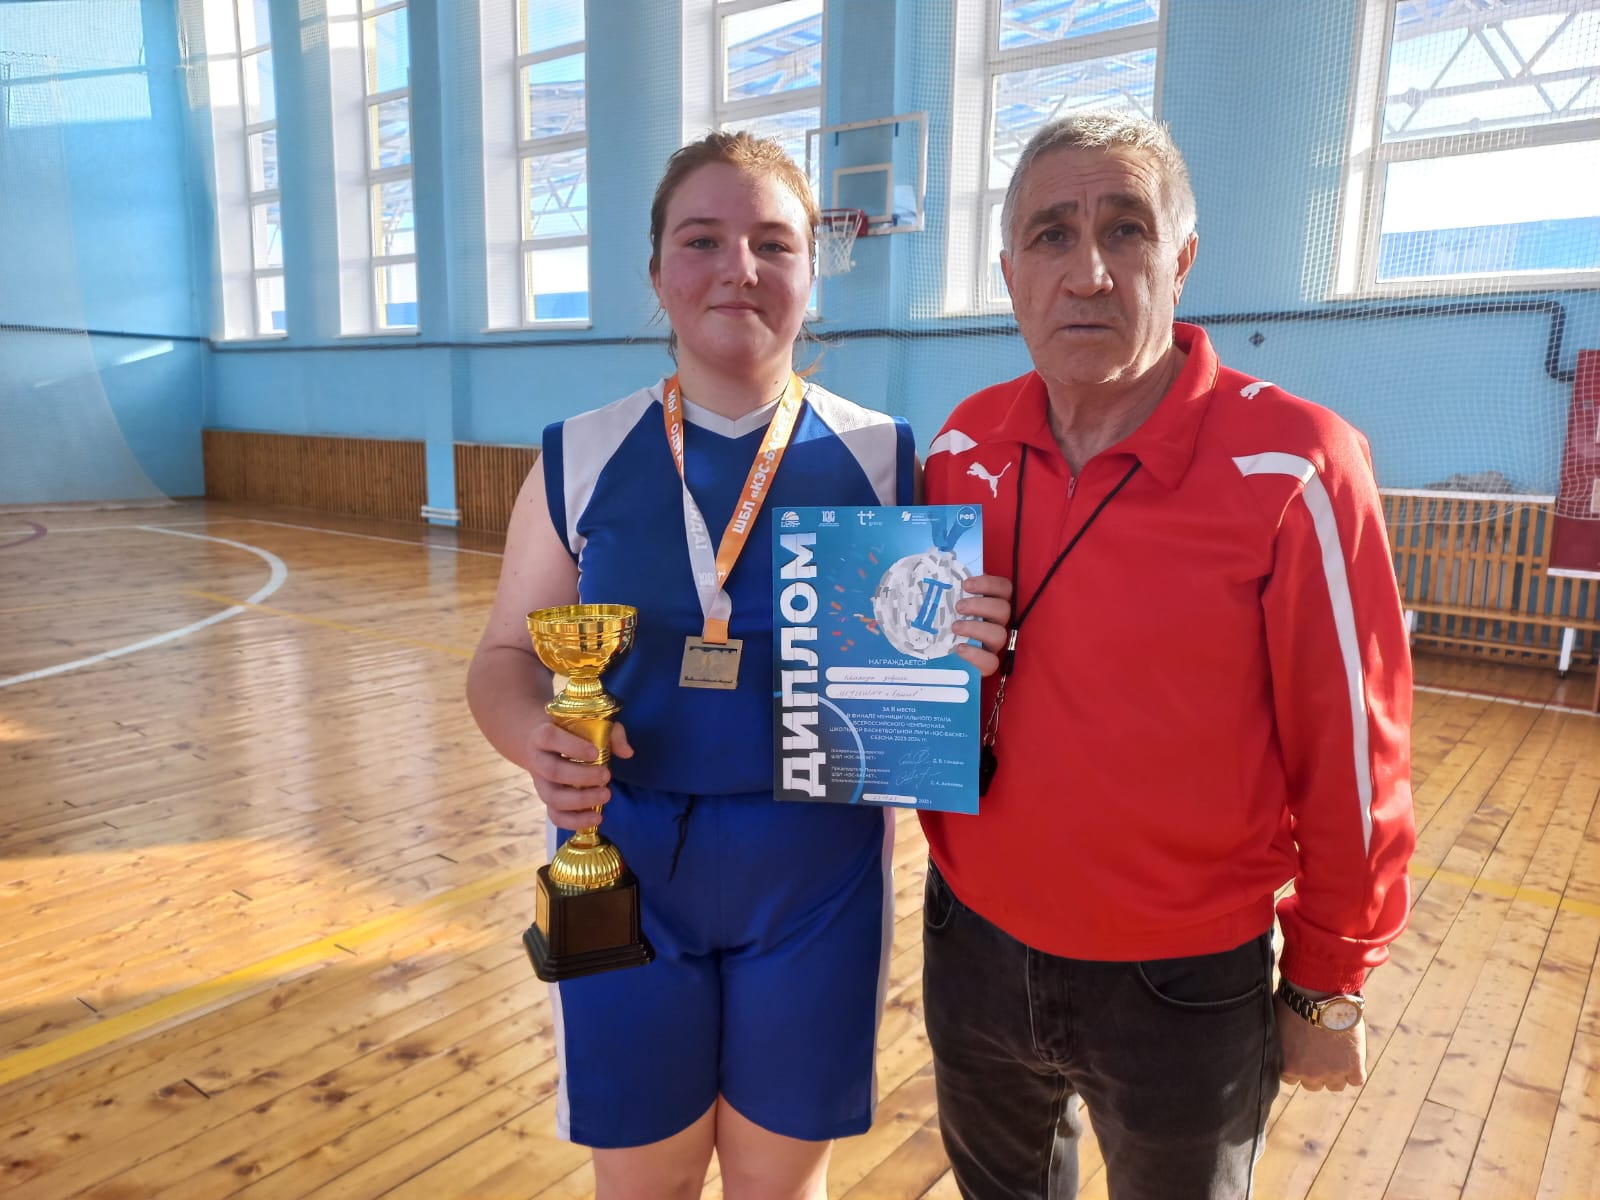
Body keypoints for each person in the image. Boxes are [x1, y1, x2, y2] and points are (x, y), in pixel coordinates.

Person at [467, 131, 1010, 1200]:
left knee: (780, 1189)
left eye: (773, 242)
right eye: (702, 239)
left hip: (817, 876)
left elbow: (937, 653)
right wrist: (534, 736)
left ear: (813, 272)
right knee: (645, 1186)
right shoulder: (579, 453)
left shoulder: (888, 456)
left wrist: (970, 638)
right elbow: (502, 655)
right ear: (655, 271)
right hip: (620, 866)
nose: (739, 268)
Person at [919, 110, 1417, 1199]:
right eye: (1051, 235)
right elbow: (922, 676)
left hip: (1180, 983)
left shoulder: (1297, 462)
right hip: (969, 940)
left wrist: (1328, 982)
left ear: (1181, 259)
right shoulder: (960, 445)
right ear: (1009, 274)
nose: (1087, 273)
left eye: (1126, 230)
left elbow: (1355, 753)